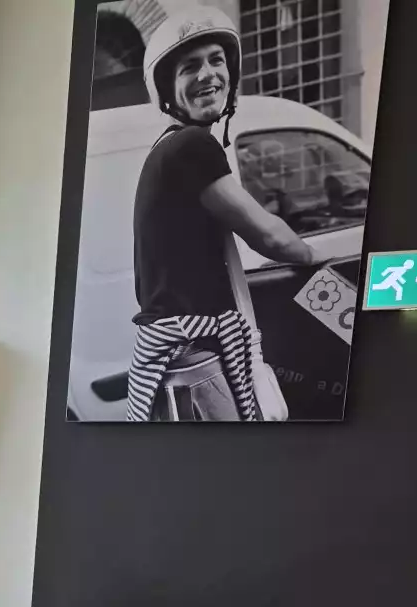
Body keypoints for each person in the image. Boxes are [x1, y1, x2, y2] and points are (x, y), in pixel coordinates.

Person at [127, 6, 316, 421]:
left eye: (217, 60)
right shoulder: (191, 146)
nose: (208, 74)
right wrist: (316, 258)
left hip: (180, 360)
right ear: (167, 89)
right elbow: (269, 236)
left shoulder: (169, 146)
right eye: (190, 67)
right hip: (195, 361)